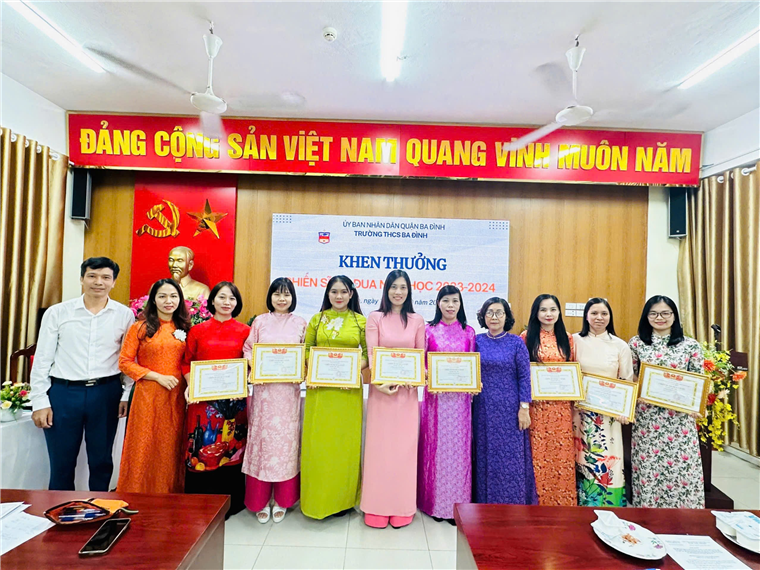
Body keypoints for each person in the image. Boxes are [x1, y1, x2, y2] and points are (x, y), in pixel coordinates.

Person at [29, 257, 134, 491]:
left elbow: (128, 359)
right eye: (92, 276)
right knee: (62, 463)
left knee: (101, 461)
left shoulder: (124, 315)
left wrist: (127, 394)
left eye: (105, 277)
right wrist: (40, 401)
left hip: (106, 393)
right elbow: (42, 359)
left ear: (114, 282)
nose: (99, 282)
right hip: (64, 393)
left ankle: (99, 508)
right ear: (81, 279)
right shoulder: (58, 313)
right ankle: (61, 510)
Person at [361, 270, 426, 529]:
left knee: (403, 451)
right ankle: (375, 506)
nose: (398, 292)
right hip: (381, 394)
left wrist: (417, 377)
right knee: (379, 450)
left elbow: (420, 356)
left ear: (409, 291)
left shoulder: (417, 320)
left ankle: (401, 506)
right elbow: (373, 355)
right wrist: (379, 383)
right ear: (386, 290)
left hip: (406, 396)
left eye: (403, 287)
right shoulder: (375, 318)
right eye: (393, 287)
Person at [301, 275, 368, 520]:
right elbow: (307, 349)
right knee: (319, 446)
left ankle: (344, 500)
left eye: (343, 292)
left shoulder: (361, 321)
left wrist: (351, 369)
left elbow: (368, 354)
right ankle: (318, 501)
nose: (338, 296)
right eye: (334, 292)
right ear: (327, 294)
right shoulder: (317, 319)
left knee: (344, 445)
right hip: (321, 391)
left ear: (351, 294)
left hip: (347, 393)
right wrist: (318, 367)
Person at [629, 295, 705, 508]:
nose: (659, 318)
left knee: (683, 469)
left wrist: (697, 407)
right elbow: (630, 376)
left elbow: (698, 380)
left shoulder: (690, 346)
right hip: (648, 419)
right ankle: (648, 515)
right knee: (649, 468)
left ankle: (686, 517)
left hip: (680, 420)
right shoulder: (636, 343)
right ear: (646, 316)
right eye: (653, 313)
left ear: (674, 316)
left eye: (665, 313)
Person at [181, 281, 250, 517]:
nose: (226, 302)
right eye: (222, 297)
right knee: (203, 446)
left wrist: (244, 380)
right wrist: (191, 385)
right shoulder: (197, 330)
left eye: (232, 298)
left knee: (231, 448)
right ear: (212, 301)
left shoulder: (245, 331)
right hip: (203, 403)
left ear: (237, 303)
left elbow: (250, 363)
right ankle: (202, 504)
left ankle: (232, 502)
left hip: (233, 403)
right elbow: (186, 362)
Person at [242, 278, 306, 524]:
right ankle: (259, 500)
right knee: (263, 444)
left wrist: (303, 369)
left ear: (292, 298)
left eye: (286, 294)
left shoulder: (300, 323)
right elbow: (249, 349)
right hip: (265, 394)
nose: (282, 299)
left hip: (288, 394)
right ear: (270, 297)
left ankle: (282, 499)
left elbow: (305, 354)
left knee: (285, 446)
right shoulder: (260, 321)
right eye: (277, 294)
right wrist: (255, 364)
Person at [117, 278, 191, 493]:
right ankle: (137, 493)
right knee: (144, 444)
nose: (169, 301)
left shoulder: (185, 328)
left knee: (170, 445)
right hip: (148, 395)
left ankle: (169, 494)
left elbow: (190, 361)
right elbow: (125, 362)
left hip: (176, 396)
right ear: (153, 300)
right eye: (162, 296)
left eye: (173, 296)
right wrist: (157, 377)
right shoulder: (139, 327)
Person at [418, 285, 476, 523]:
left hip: (460, 403)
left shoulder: (468, 332)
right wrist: (429, 375)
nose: (450, 306)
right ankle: (436, 505)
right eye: (446, 301)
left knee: (459, 453)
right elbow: (421, 363)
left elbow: (472, 365)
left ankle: (456, 506)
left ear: (460, 304)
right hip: (436, 401)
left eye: (455, 301)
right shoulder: (428, 330)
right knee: (437, 451)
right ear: (438, 303)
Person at [473, 297, 538, 505]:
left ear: (506, 316)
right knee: (485, 454)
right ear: (483, 316)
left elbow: (524, 376)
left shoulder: (516, 343)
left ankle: (513, 503)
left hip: (510, 410)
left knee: (511, 457)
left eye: (499, 313)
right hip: (482, 408)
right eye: (489, 313)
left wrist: (524, 407)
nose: (494, 317)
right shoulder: (476, 341)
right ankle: (485, 503)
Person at [572, 298, 634, 507]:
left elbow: (626, 380)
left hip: (608, 416)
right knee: (580, 457)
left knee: (608, 459)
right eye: (594, 313)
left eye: (604, 313)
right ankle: (578, 506)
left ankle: (608, 505)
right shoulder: (574, 341)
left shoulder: (620, 345)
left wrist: (625, 410)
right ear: (586, 316)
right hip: (579, 413)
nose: (599, 318)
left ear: (610, 317)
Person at [520, 294, 577, 506]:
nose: (548, 314)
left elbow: (573, 369)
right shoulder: (526, 337)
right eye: (543, 310)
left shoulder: (567, 338)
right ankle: (538, 502)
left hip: (561, 408)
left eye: (553, 309)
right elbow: (523, 372)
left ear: (559, 312)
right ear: (536, 313)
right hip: (537, 407)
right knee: (539, 454)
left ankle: (562, 502)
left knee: (561, 454)